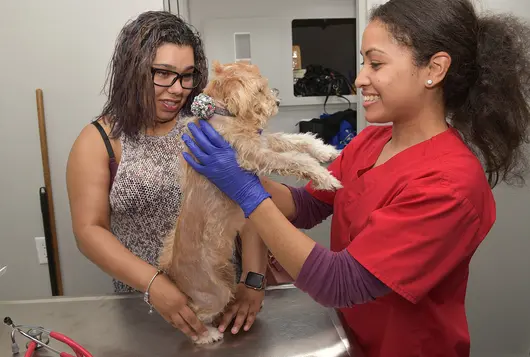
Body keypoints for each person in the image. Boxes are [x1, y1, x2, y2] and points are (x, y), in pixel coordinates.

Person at [179, 0, 530, 355]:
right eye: (363, 62)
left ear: (434, 69)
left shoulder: (450, 184)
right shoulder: (372, 141)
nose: (360, 78)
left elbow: (340, 282)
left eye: (375, 63)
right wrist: (233, 173)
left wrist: (246, 189)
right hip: (352, 338)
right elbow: (308, 205)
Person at [65, 10, 267, 342]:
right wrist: (153, 283)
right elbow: (89, 230)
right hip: (145, 309)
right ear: (132, 71)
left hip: (223, 302)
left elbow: (247, 202)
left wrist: (254, 278)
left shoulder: (208, 127)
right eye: (163, 74)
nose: (178, 90)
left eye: (187, 76)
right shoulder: (98, 141)